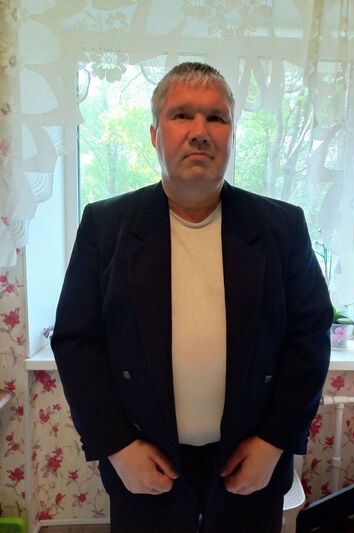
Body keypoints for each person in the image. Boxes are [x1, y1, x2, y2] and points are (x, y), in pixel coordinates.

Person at [51, 62, 332, 533]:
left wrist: (273, 443)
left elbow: (310, 336)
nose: (200, 131)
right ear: (154, 134)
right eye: (182, 115)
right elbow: (77, 343)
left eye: (216, 118)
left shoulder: (281, 227)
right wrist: (118, 448)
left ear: (231, 134)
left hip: (251, 460)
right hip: (144, 460)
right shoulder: (105, 225)